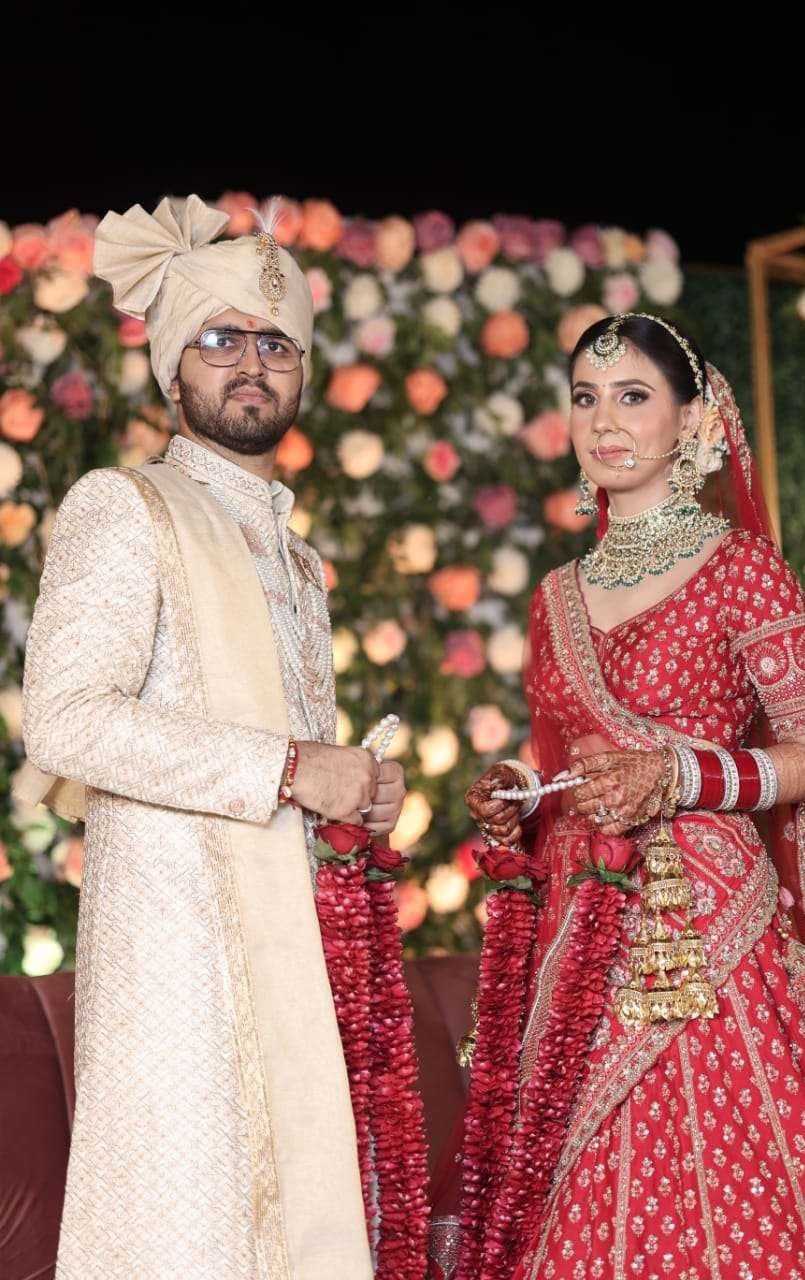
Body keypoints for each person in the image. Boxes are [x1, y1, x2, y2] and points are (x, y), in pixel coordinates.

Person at [16, 194, 405, 1280]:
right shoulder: (124, 507)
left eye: (275, 343)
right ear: (171, 366)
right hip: (175, 965)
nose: (250, 364)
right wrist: (288, 767)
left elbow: (300, 765)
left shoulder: (299, 559)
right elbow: (64, 718)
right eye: (220, 338)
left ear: (302, 370)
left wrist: (356, 787)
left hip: (291, 953)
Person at [433, 313, 805, 1280]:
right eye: (586, 398)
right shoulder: (555, 594)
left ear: (692, 420)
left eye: (632, 397)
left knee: (726, 1173)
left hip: (709, 923)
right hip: (580, 918)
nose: (604, 422)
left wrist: (681, 775)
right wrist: (522, 796)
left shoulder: (743, 570)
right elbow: (565, 763)